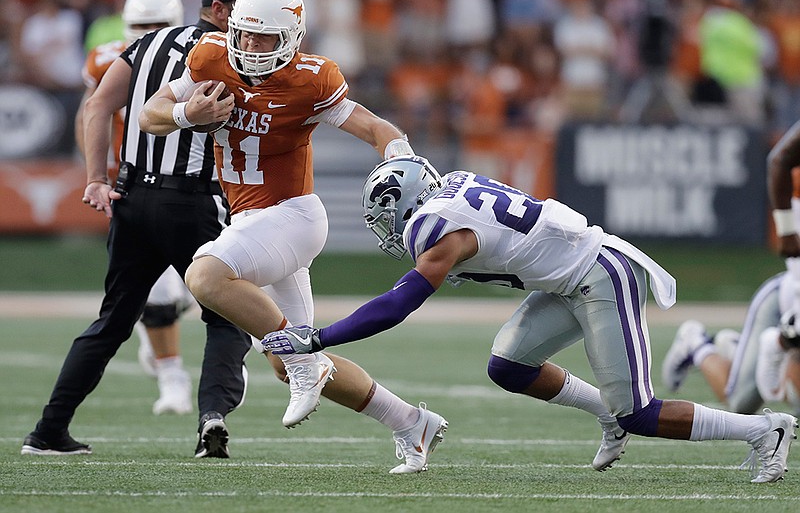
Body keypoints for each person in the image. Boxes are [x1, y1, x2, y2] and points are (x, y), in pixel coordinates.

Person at [263, 155, 798, 483]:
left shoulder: (431, 227)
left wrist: (320, 337)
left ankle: (764, 431)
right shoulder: (451, 185)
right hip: (566, 278)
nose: (388, 231)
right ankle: (605, 414)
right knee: (509, 365)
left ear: (400, 206)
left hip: (599, 273)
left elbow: (398, 304)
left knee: (639, 412)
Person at [138, 0, 448, 474]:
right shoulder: (211, 56)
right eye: (243, 35)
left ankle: (308, 363)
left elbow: (373, 127)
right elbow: (150, 115)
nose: (250, 47)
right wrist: (184, 113)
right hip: (253, 222)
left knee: (205, 276)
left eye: (264, 39)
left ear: (293, 36)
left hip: (292, 217)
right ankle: (411, 422)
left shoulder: (312, 77)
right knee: (288, 360)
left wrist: (401, 159)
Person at [21, 0, 260, 459]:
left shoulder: (145, 45)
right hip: (193, 202)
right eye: (246, 11)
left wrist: (94, 178)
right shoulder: (226, 54)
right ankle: (211, 419)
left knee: (112, 322)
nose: (254, 25)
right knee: (227, 317)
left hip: (132, 196)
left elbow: (96, 106)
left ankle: (47, 432)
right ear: (218, 10)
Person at [75, 0, 194, 416]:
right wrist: (96, 173)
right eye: (140, 27)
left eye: (157, 26)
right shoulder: (109, 58)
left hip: (198, 183)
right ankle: (172, 377)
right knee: (158, 293)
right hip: (137, 180)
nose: (147, 34)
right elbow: (92, 110)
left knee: (208, 282)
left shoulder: (204, 54)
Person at [662, 271, 800, 416]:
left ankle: (739, 353)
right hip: (781, 302)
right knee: (741, 403)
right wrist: (779, 343)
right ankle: (695, 344)